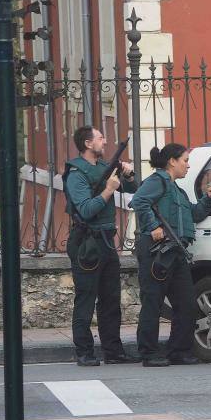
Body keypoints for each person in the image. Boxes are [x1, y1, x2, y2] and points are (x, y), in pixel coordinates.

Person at [130, 143, 211, 367]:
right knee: (153, 302)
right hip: (157, 251)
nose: (188, 166)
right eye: (185, 161)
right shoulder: (156, 182)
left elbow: (194, 215)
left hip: (176, 251)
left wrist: (208, 198)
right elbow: (138, 201)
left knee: (186, 303)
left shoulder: (177, 190)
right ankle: (148, 353)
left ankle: (178, 350)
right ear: (172, 161)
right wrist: (153, 226)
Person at [63, 126, 139, 367]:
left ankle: (113, 351)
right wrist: (108, 190)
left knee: (110, 299)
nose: (105, 142)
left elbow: (134, 190)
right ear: (87, 143)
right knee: (86, 298)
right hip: (87, 242)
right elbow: (85, 209)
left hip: (106, 240)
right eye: (100, 138)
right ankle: (84, 352)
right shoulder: (76, 173)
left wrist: (127, 175)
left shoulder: (102, 168)